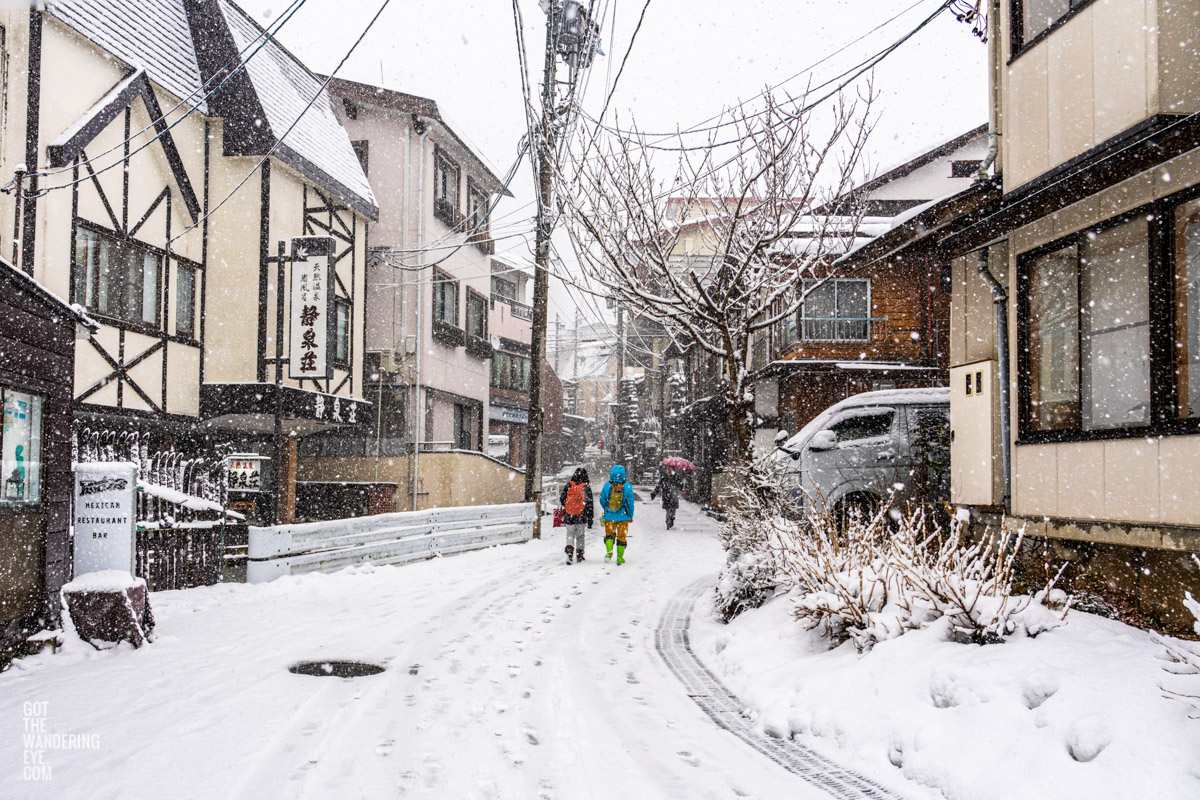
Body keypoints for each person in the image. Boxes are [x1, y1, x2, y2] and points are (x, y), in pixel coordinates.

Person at [599, 464, 635, 565]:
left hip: (609, 516)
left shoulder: (607, 486)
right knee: (621, 537)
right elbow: (630, 503)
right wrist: (630, 515)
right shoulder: (627, 486)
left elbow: (602, 499)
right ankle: (620, 557)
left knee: (609, 535)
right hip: (623, 517)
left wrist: (607, 509)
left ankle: (609, 552)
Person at [558, 467, 594, 564]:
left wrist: (568, 508)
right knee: (580, 536)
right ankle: (579, 555)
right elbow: (590, 504)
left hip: (569, 516)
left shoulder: (569, 485)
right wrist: (590, 519)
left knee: (570, 535)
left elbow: (562, 499)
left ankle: (569, 554)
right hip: (581, 516)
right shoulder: (586, 487)